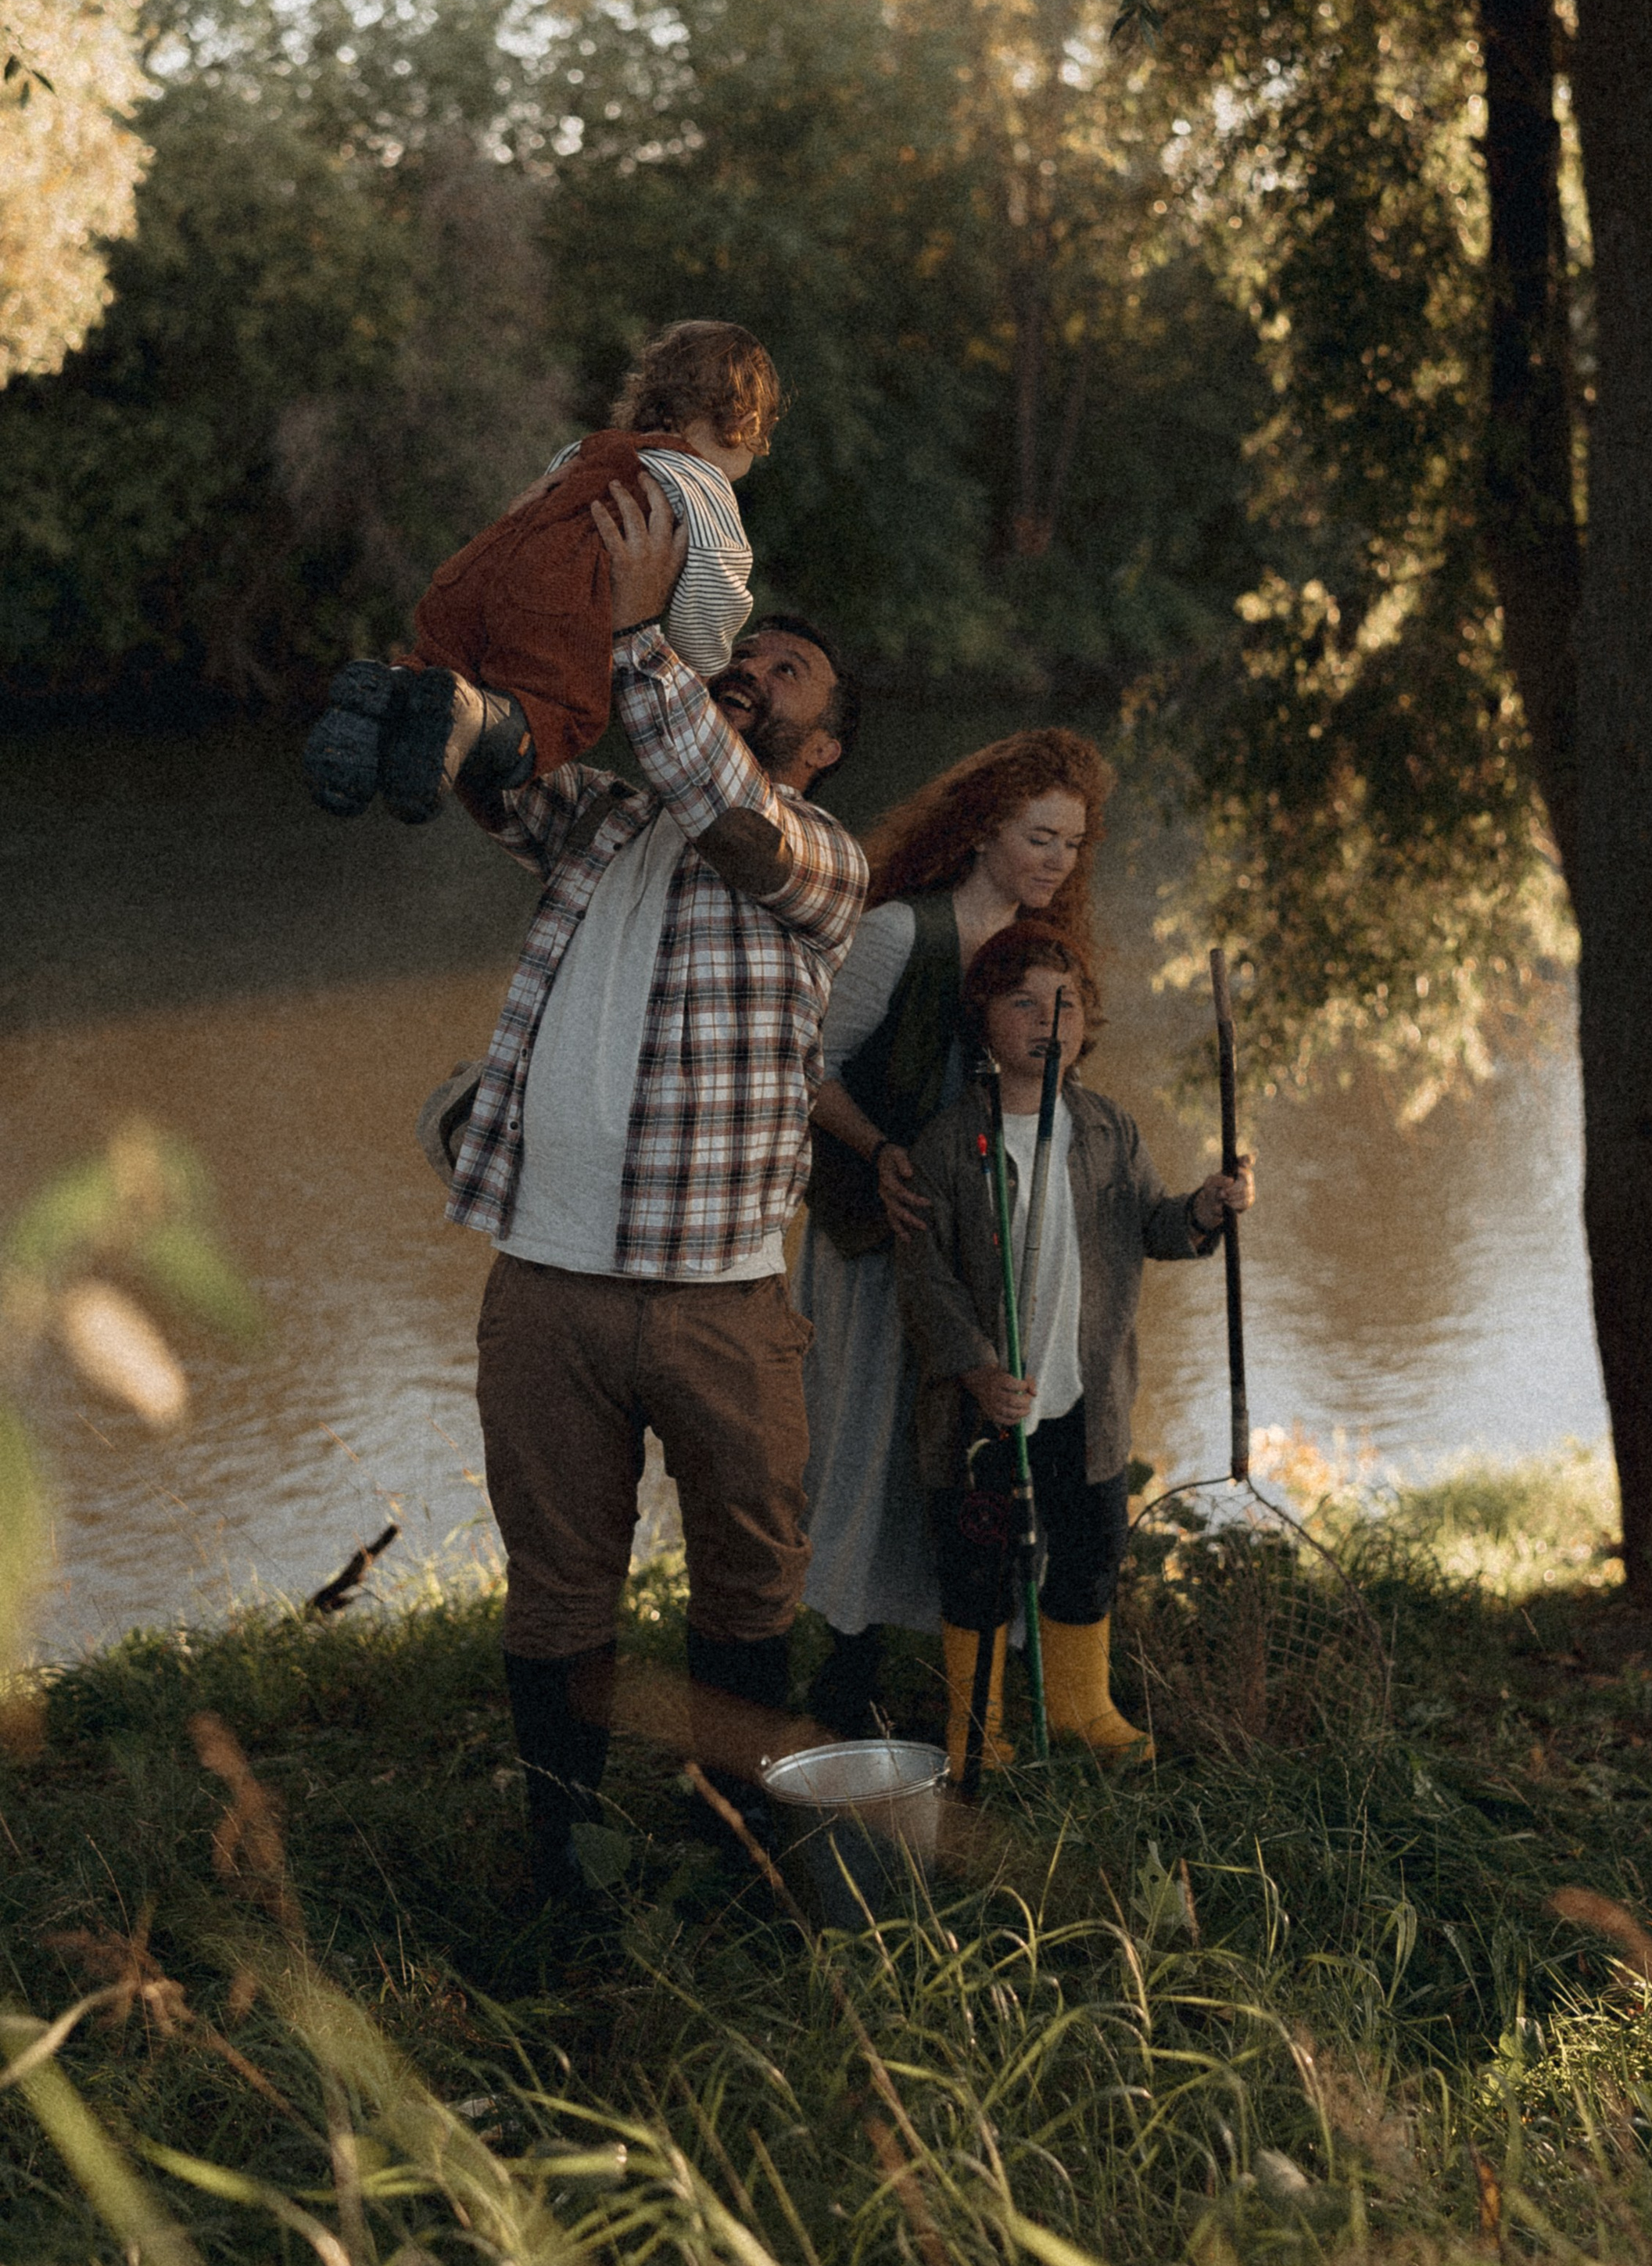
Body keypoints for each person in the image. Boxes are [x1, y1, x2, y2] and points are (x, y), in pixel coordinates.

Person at [444, 471, 868, 1905]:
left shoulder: (814, 860)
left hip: (722, 1305)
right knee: (559, 1586)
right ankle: (564, 1853)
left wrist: (645, 638)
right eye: (740, 660)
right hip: (547, 1285)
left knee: (749, 1587)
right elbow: (495, 772)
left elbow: (718, 802)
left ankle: (738, 1841)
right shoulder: (611, 822)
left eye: (783, 675)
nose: (749, 676)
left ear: (821, 747)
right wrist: (440, 697)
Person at [794, 729, 1112, 1735]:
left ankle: (978, 1674)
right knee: (876, 1442)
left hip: (993, 1252)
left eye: (1073, 843)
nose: (1058, 863)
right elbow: (808, 1066)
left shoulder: (1042, 958)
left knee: (970, 1448)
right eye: (1040, 836)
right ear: (982, 829)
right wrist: (883, 1153)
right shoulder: (901, 932)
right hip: (888, 1235)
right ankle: (848, 1671)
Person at [898, 920, 1255, 1777]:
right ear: (981, 1018)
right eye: (1021, 1002)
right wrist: (978, 1369)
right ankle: (974, 1731)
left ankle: (1080, 1708)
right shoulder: (948, 1144)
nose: (1045, 1020)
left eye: (1063, 1003)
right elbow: (924, 1281)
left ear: (1085, 1020)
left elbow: (1155, 1227)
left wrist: (1205, 1208)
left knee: (1090, 1551)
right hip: (987, 1410)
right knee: (979, 1563)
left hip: (1083, 1399)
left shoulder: (1106, 1131)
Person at [303, 318, 776, 825]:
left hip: (488, 562)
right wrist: (702, 655)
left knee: (445, 658)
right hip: (557, 598)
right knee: (556, 708)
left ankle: (390, 687)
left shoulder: (588, 450)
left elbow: (538, 514)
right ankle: (476, 718)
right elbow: (715, 588)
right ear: (745, 420)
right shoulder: (703, 483)